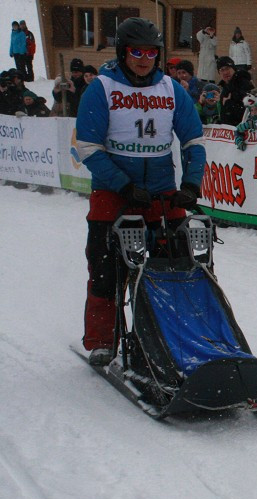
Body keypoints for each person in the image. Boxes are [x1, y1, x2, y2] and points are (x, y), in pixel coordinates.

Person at [75, 17, 206, 365]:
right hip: (114, 192)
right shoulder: (101, 88)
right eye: (136, 51)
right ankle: (103, 339)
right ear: (122, 52)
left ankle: (183, 339)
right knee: (106, 268)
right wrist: (123, 185)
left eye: (151, 52)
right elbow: (87, 146)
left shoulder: (171, 89)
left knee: (180, 267)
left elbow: (193, 139)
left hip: (160, 193)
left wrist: (191, 184)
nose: (144, 58)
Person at [216, 56, 253, 125]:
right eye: (222, 70)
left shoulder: (243, 83)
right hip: (228, 131)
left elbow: (249, 109)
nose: (225, 72)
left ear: (233, 69)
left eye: (227, 69)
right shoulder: (224, 87)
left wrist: (229, 105)